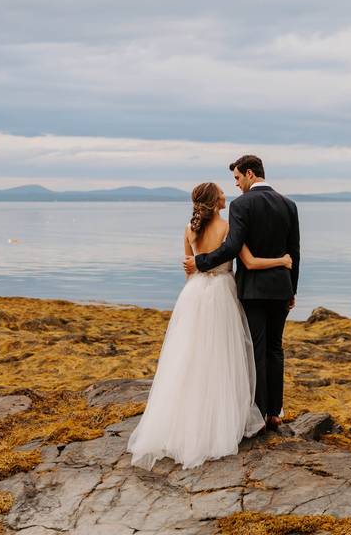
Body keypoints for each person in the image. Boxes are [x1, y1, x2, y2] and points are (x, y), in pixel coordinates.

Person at [127, 181, 293, 470]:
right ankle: (223, 420)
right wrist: (282, 260)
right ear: (215, 201)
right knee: (225, 357)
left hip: (193, 296)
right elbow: (250, 263)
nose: (225, 195)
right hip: (222, 294)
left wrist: (194, 294)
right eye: (220, 193)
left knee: (191, 358)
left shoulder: (189, 229)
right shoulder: (228, 227)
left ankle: (185, 420)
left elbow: (190, 269)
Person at [183, 155, 299, 432]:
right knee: (275, 349)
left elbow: (233, 246)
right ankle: (275, 412)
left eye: (237, 178)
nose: (236, 184)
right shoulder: (289, 204)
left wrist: (201, 263)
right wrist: (291, 289)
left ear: (249, 173)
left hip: (253, 290)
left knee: (256, 350)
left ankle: (258, 415)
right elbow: (294, 252)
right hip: (281, 288)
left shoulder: (242, 205)